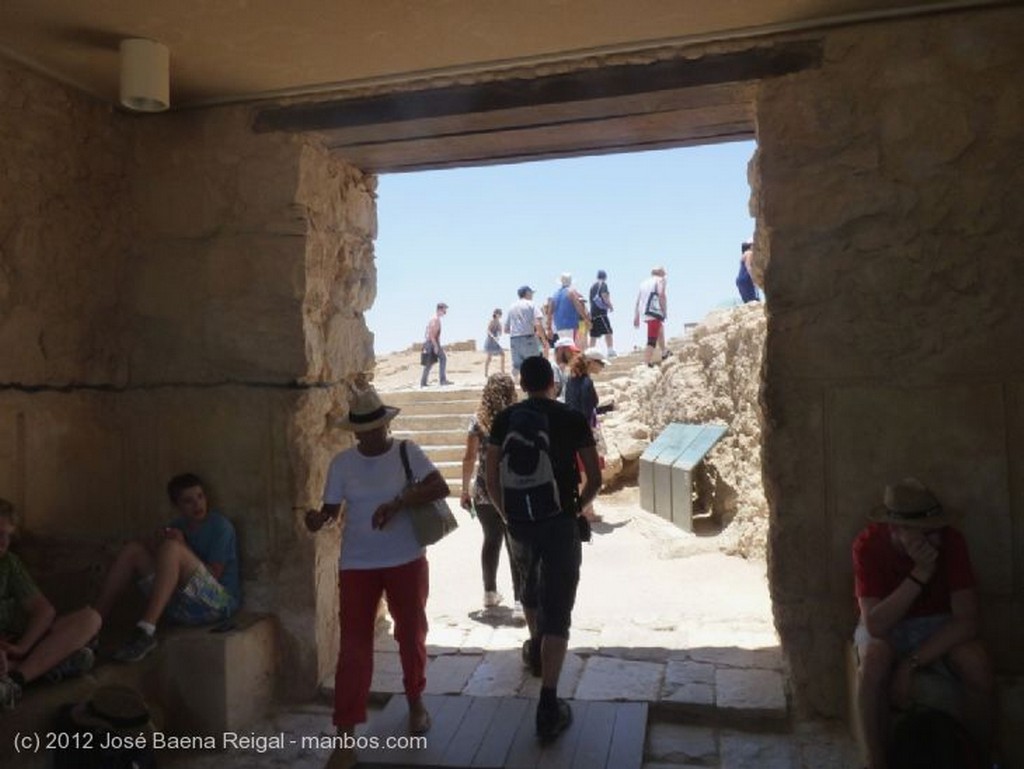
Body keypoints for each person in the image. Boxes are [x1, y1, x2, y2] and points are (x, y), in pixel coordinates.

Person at [306, 386, 449, 769]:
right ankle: (346, 736)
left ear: (386, 425)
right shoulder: (342, 464)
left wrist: (399, 502)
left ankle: (416, 701)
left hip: (405, 558)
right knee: (353, 648)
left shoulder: (407, 452)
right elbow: (331, 511)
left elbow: (439, 486)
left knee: (410, 632)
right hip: (357, 563)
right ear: (354, 431)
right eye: (362, 430)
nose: (370, 436)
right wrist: (318, 519)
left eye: (375, 428)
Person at [485, 356, 600, 743]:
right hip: (560, 520)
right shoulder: (571, 418)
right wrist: (577, 508)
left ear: (522, 382)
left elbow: (490, 476)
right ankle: (548, 703)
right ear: (552, 381)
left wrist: (506, 514)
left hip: (520, 522)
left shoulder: (505, 420)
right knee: (559, 605)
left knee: (529, 589)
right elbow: (594, 476)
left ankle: (535, 650)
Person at [852, 477, 996, 769]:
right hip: (891, 623)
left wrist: (910, 664)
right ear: (898, 529)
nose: (936, 540)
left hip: (938, 624)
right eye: (925, 534)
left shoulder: (952, 541)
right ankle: (876, 763)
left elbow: (967, 621)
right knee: (874, 659)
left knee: (976, 662)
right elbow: (876, 625)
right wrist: (920, 573)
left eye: (937, 532)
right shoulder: (868, 545)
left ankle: (979, 759)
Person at [94, 473, 240, 663]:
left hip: (217, 603)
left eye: (200, 496)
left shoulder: (220, 527)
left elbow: (214, 575)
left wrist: (181, 547)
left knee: (172, 548)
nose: (197, 504)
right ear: (177, 506)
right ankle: (92, 628)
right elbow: (167, 571)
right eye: (188, 501)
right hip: (181, 606)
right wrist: (156, 544)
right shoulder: (176, 526)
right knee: (133, 550)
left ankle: (146, 630)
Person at [0, 498, 101, 709]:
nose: (4, 542)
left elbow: (43, 611)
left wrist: (23, 646)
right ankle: (52, 665)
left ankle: (15, 680)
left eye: (8, 536)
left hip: (20, 643)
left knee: (90, 619)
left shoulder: (9, 562)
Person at [459, 374, 523, 620]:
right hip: (513, 489)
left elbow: (469, 458)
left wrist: (465, 490)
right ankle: (520, 602)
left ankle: (489, 592)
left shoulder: (477, 421)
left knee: (490, 540)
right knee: (514, 544)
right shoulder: (517, 419)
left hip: (485, 490)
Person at [565, 348, 608, 523]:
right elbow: (590, 406)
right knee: (588, 472)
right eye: (600, 363)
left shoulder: (570, 381)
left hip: (573, 431)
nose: (602, 367)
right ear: (590, 362)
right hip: (586, 431)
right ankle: (586, 510)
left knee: (580, 472)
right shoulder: (586, 383)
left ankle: (584, 508)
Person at [505, 285, 547, 379]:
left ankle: (515, 384)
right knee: (533, 364)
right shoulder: (531, 304)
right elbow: (538, 323)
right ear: (527, 293)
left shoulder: (512, 307)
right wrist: (543, 340)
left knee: (516, 366)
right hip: (528, 337)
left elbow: (506, 329)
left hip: (514, 339)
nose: (532, 295)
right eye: (531, 293)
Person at [634, 266, 669, 367]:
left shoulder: (643, 283)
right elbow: (662, 295)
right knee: (652, 339)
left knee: (660, 330)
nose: (665, 275)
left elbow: (638, 300)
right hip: (654, 311)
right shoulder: (661, 280)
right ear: (660, 273)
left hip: (645, 311)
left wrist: (636, 316)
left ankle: (664, 352)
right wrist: (664, 310)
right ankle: (646, 362)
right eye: (664, 272)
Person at [546, 273, 590, 348]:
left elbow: (549, 312)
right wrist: (586, 319)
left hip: (559, 327)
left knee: (566, 349)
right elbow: (578, 306)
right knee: (575, 349)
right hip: (572, 325)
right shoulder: (571, 292)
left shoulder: (555, 295)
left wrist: (549, 328)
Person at [420, 302, 452, 387]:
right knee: (443, 358)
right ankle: (442, 380)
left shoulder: (434, 318)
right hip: (432, 343)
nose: (445, 311)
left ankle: (423, 382)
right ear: (440, 309)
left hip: (429, 342)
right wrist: (435, 346)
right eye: (444, 309)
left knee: (429, 363)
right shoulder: (435, 319)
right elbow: (431, 334)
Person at [588, 269, 616, 358]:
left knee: (593, 334)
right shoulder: (603, 284)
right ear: (605, 277)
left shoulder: (592, 286)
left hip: (593, 313)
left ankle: (590, 353)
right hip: (601, 313)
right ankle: (610, 350)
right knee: (608, 331)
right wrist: (610, 305)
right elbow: (604, 295)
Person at [552, 337, 578, 402]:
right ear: (561, 350)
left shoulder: (568, 367)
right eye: (570, 351)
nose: (573, 354)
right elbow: (555, 391)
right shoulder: (554, 367)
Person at [483, 308, 506, 377]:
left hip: (496, 341)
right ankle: (486, 373)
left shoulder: (499, 323)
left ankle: (502, 371)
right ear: (495, 314)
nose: (500, 315)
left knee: (502, 354)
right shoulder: (492, 321)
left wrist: (498, 336)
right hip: (490, 341)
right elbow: (488, 330)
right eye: (499, 313)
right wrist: (493, 336)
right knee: (489, 357)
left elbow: (500, 331)